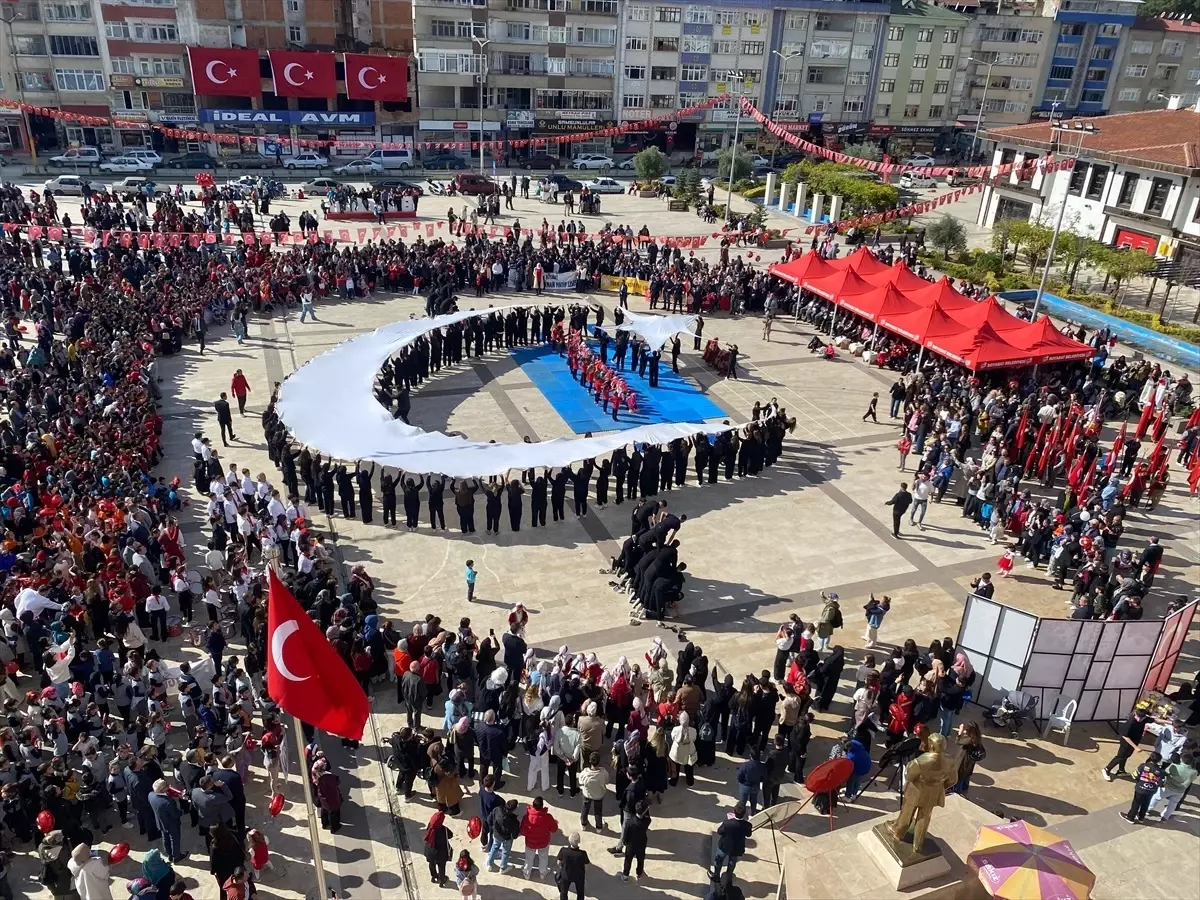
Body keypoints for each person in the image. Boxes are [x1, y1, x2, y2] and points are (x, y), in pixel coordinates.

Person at [1102, 707, 1149, 781]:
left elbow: (1155, 720)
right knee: (1120, 756)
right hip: (1126, 743)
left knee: (1126, 756)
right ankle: (1107, 769)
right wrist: (1136, 747)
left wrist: (1170, 723)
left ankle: (1121, 770)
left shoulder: (1144, 719)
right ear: (1135, 714)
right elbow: (1125, 736)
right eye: (1138, 717)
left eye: (1141, 718)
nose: (1139, 719)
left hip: (1135, 741)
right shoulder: (1130, 722)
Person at [520, 795, 559, 880]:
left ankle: (527, 873)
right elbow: (554, 829)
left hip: (530, 843)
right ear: (542, 806)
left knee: (529, 858)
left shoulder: (527, 817)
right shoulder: (548, 817)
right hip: (543, 842)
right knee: (543, 857)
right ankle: (543, 872)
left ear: (533, 805)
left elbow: (522, 831)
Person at [711, 802, 751, 881]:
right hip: (737, 848)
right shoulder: (747, 825)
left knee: (719, 860)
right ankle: (728, 877)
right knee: (732, 862)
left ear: (734, 812)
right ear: (744, 814)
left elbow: (719, 831)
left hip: (724, 846)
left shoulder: (727, 823)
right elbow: (748, 834)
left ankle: (716, 876)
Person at [1151, 751, 1196, 821]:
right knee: (1173, 804)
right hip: (1180, 791)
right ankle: (1165, 817)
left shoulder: (1174, 766)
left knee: (1156, 798)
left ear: (1181, 759)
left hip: (1168, 787)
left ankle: (1147, 810)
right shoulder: (1194, 772)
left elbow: (1165, 773)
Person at [1121, 752, 1165, 824]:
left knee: (1136, 803)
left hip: (1140, 789)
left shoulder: (1143, 766)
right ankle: (1141, 817)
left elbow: (1134, 776)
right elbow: (1161, 784)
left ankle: (1130, 817)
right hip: (1151, 790)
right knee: (1146, 803)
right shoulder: (1161, 771)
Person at [149, 779, 186, 863]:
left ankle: (169, 855)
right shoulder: (168, 802)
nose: (169, 786)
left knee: (165, 838)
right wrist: (182, 812)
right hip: (172, 824)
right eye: (166, 785)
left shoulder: (150, 795)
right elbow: (175, 814)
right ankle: (176, 856)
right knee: (174, 839)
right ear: (163, 790)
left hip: (160, 821)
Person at [619, 798, 651, 882]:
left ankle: (625, 875)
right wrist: (647, 810)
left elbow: (626, 834)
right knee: (641, 860)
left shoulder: (630, 822)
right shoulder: (647, 821)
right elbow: (647, 816)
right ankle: (639, 874)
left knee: (628, 860)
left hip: (630, 845)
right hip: (641, 844)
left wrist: (625, 842)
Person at [485, 797, 520, 872]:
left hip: (496, 835)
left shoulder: (497, 810)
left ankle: (489, 864)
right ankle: (503, 867)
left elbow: (489, 819)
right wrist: (513, 837)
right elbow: (515, 834)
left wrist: (493, 827)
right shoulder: (514, 821)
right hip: (506, 839)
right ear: (513, 810)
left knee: (494, 848)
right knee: (505, 852)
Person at [950, 722, 986, 794]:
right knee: (967, 774)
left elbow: (958, 741)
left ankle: (957, 791)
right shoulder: (976, 737)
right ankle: (965, 788)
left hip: (964, 761)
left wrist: (960, 732)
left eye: (966, 730)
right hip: (970, 762)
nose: (964, 731)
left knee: (960, 776)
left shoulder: (968, 739)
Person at [578, 752, 609, 831]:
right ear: (599, 761)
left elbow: (580, 782)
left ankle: (583, 824)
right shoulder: (604, 773)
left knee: (585, 809)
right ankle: (599, 827)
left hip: (587, 794)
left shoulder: (585, 773)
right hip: (599, 795)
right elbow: (607, 781)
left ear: (589, 761)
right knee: (598, 810)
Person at [424, 810, 454, 887]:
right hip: (440, 853)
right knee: (441, 867)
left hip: (430, 850)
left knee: (431, 864)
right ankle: (442, 880)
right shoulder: (444, 830)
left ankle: (433, 877)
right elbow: (450, 835)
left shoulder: (430, 825)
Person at [556, 833, 590, 900]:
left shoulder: (563, 850)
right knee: (580, 893)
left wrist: (562, 868)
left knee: (563, 893)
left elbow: (558, 862)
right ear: (579, 841)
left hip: (566, 875)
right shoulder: (583, 854)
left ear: (569, 840)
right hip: (579, 876)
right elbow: (586, 866)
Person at [736, 750, 765, 815]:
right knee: (754, 801)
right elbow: (763, 777)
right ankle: (753, 813)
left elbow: (739, 776)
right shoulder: (762, 766)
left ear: (750, 756)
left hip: (745, 786)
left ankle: (741, 815)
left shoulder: (746, 765)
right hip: (755, 786)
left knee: (742, 802)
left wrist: (742, 782)